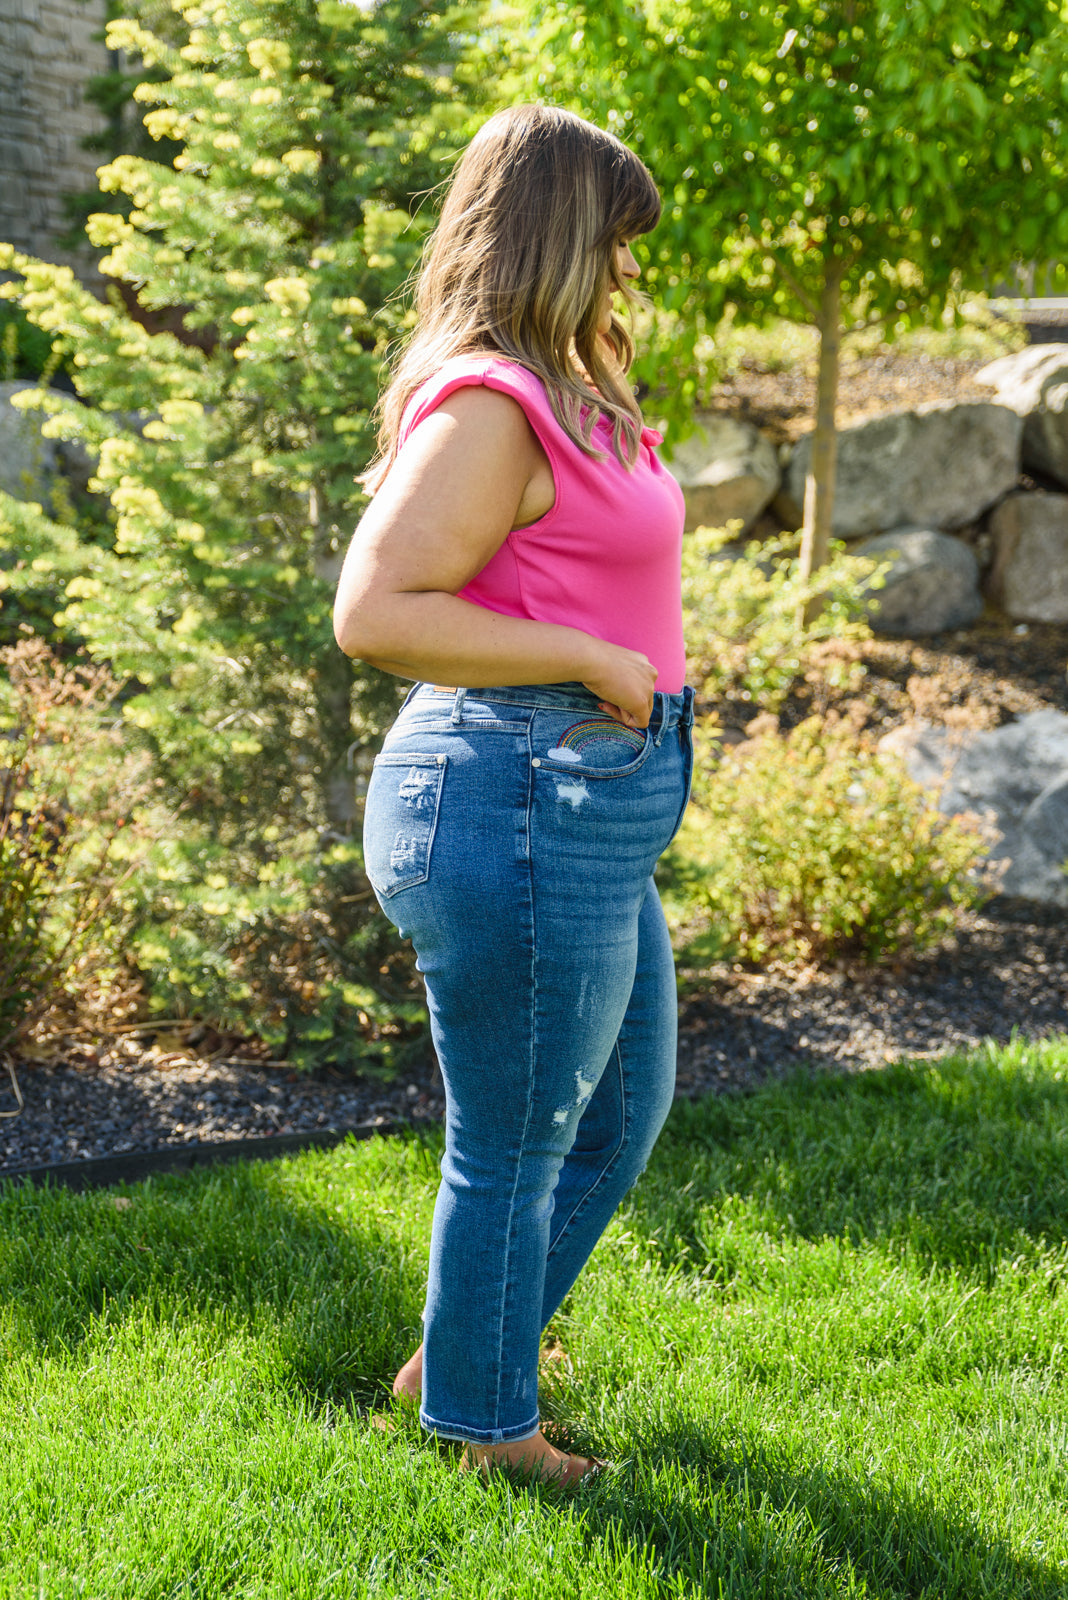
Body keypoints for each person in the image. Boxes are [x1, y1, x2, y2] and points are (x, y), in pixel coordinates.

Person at [333, 103, 693, 1487]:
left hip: (581, 802)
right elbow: (375, 609)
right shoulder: (492, 401)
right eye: (612, 241)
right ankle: (486, 1433)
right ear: (556, 234)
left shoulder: (571, 386)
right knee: (521, 1143)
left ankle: (466, 1350)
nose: (627, 271)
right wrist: (592, 657)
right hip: (516, 795)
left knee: (614, 1116)